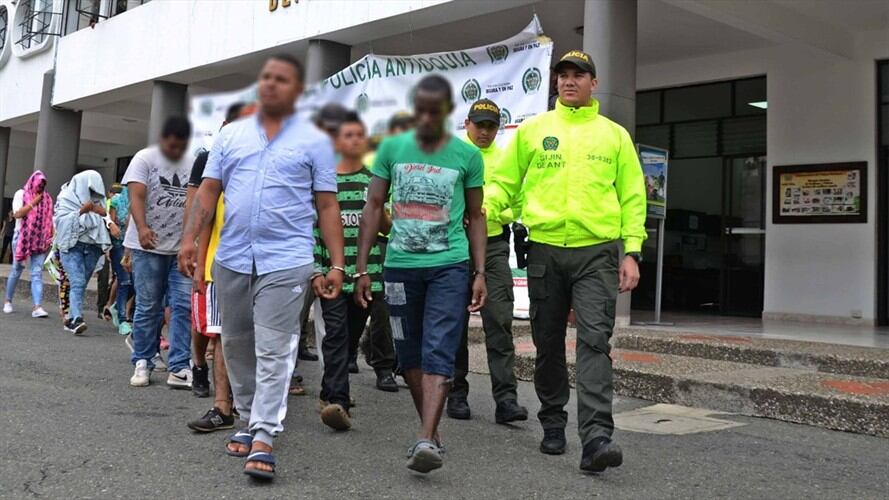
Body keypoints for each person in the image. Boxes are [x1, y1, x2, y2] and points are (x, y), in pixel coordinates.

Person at [179, 54, 344, 481]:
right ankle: (250, 417)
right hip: (232, 258)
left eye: (282, 79)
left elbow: (327, 205)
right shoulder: (231, 135)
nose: (271, 84)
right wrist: (189, 242)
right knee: (235, 343)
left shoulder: (315, 141)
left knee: (274, 347)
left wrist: (338, 264)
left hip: (286, 261)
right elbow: (208, 192)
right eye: (266, 77)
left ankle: (265, 435)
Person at [486, 50, 647, 473]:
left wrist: (631, 250)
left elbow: (632, 195)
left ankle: (596, 437)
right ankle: (553, 421)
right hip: (544, 250)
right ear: (555, 83)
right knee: (548, 341)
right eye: (563, 75)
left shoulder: (614, 135)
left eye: (579, 75)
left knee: (595, 340)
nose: (569, 81)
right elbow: (503, 183)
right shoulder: (533, 132)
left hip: (597, 252)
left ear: (594, 83)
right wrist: (484, 210)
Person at [355, 75, 487, 473]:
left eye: (436, 109)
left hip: (450, 265)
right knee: (409, 352)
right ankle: (431, 432)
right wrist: (363, 268)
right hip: (399, 268)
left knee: (439, 348)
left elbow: (477, 216)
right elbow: (374, 205)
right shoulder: (392, 148)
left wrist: (480, 271)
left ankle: (426, 437)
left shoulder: (467, 157)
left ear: (448, 112)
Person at [446, 99, 528, 424]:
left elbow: (518, 205)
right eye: (479, 125)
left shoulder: (507, 159)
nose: (485, 132)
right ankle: (455, 394)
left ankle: (506, 400)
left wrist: (488, 212)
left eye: (491, 126)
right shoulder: (452, 154)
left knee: (499, 323)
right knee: (454, 325)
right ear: (467, 124)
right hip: (455, 246)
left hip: (493, 246)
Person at [124, 116, 194, 389]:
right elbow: (136, 196)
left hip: (180, 249)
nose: (176, 151)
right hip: (148, 247)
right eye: (172, 145)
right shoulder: (144, 158)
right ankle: (142, 359)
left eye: (181, 146)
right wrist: (141, 228)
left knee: (183, 306)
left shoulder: (193, 162)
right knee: (149, 306)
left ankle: (179, 366)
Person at [185, 101, 244, 422]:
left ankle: (238, 402)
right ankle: (200, 369)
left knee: (233, 334)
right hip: (215, 265)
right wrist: (190, 247)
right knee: (210, 328)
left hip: (255, 267)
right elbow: (200, 211)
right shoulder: (210, 160)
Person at [54, 170, 112, 334]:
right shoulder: (66, 198)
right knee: (78, 281)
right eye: (90, 190)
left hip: (93, 246)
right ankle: (77, 318)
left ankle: (72, 320)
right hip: (72, 246)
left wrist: (101, 214)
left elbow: (105, 217)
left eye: (96, 191)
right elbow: (59, 221)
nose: (93, 194)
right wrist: (81, 211)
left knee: (81, 284)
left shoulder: (99, 201)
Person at [4, 171, 54, 318]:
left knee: (37, 272)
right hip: (22, 237)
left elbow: (49, 219)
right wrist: (34, 203)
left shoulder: (46, 198)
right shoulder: (21, 194)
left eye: (43, 185)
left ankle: (37, 306)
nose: (41, 187)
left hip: (39, 239)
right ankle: (8, 300)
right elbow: (17, 214)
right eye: (39, 184)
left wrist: (49, 236)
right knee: (17, 268)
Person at [107, 185, 133, 335]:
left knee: (135, 283)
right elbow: (111, 222)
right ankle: (123, 319)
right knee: (124, 280)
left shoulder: (143, 201)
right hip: (118, 246)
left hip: (136, 247)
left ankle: (117, 307)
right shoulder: (117, 201)